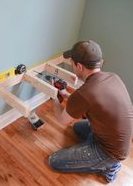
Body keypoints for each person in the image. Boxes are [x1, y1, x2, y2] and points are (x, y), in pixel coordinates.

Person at [48, 40, 133, 182]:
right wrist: (66, 95)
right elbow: (92, 103)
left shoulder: (85, 93)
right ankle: (92, 152)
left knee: (54, 161)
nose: (72, 65)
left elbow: (62, 120)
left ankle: (109, 167)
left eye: (72, 63)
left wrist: (53, 97)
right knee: (76, 128)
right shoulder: (113, 77)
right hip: (117, 140)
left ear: (79, 66)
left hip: (110, 152)